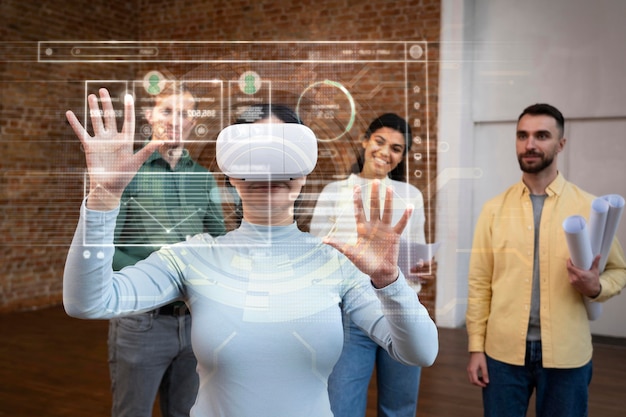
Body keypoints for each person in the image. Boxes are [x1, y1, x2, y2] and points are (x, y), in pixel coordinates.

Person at [63, 90, 439, 417]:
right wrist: (102, 200)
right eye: (253, 151)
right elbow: (88, 302)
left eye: (281, 150)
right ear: (230, 172)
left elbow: (421, 351)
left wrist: (389, 283)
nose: (268, 167)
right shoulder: (192, 257)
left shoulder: (335, 262)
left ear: (304, 170)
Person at [465, 103, 626, 417]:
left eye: (541, 135)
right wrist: (475, 347)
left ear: (561, 144)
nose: (530, 144)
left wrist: (596, 287)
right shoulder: (494, 209)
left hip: (567, 355)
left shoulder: (590, 207)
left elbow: (620, 270)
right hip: (502, 354)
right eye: (522, 135)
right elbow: (479, 282)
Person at [108, 83, 226, 417]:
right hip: (140, 323)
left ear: (193, 121)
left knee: (184, 413)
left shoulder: (204, 179)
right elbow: (107, 249)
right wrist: (163, 276)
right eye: (166, 110)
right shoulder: (126, 173)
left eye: (184, 112)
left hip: (193, 324)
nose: (175, 120)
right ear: (148, 116)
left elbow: (219, 242)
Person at [310, 113, 427, 417]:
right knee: (342, 405)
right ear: (365, 141)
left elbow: (416, 255)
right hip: (350, 317)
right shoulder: (334, 193)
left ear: (402, 157)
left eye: (397, 148)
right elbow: (315, 259)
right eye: (380, 141)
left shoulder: (411, 195)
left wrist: (420, 266)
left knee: (399, 407)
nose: (386, 152)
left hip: (401, 313)